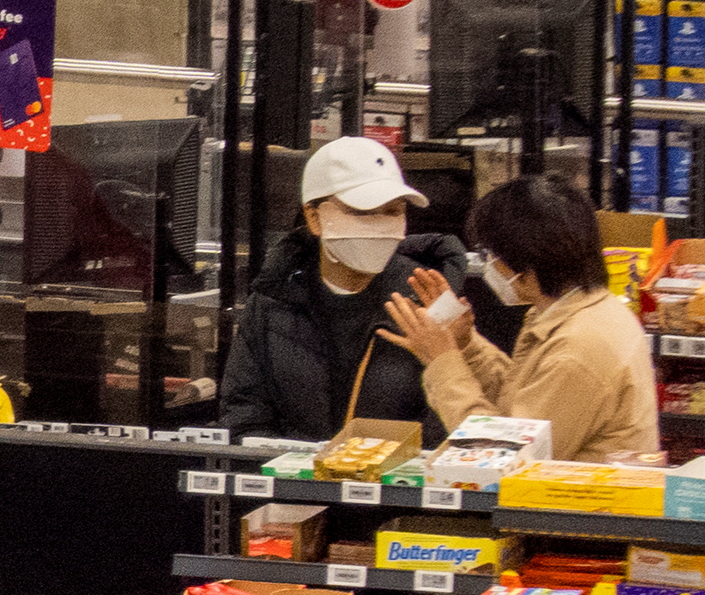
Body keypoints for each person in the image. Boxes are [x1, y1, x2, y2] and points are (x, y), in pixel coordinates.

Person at [380, 175, 661, 464]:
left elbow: (503, 456)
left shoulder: (579, 348)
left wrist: (442, 360)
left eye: (491, 253)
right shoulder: (577, 312)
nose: (489, 264)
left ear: (528, 262)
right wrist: (466, 344)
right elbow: (519, 405)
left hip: (571, 504)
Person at [218, 136, 475, 441]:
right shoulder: (275, 299)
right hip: (292, 482)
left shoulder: (431, 295)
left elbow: (450, 417)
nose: (380, 226)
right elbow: (244, 412)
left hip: (396, 481)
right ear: (315, 218)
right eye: (361, 212)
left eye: (393, 212)